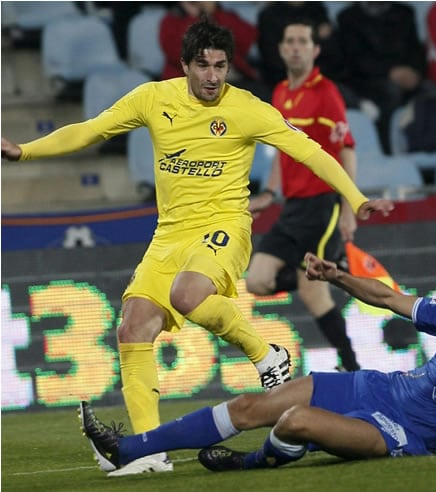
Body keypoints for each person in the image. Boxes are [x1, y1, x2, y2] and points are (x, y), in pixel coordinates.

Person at [1, 20, 393, 476]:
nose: (212, 76)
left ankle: (266, 353)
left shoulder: (247, 108)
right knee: (133, 328)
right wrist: (24, 151)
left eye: (220, 66)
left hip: (224, 226)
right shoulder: (153, 98)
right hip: (169, 235)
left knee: (187, 295)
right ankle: (149, 452)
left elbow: (312, 152)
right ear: (184, 65)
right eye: (203, 65)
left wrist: (356, 197)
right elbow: (91, 130)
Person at [80, 252, 436, 474]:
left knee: (294, 424)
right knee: (254, 403)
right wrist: (339, 277)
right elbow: (390, 296)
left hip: (400, 434)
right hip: (382, 389)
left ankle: (256, 465)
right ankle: (130, 448)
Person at [245, 20, 360, 372]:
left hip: (322, 203)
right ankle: (320, 270)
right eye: (290, 41)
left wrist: (349, 207)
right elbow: (284, 152)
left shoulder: (326, 93)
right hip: (293, 207)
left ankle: (352, 367)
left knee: (312, 292)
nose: (296, 47)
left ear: (315, 49)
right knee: (257, 281)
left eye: (303, 41)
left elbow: (347, 151)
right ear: (281, 49)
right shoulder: (279, 93)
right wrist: (268, 192)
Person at [336, 2, 427, 154]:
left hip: (406, 77)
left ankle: (424, 150)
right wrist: (390, 72)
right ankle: (387, 152)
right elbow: (354, 60)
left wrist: (415, 73)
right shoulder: (348, 18)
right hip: (367, 81)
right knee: (391, 93)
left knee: (430, 91)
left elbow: (416, 50)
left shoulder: (404, 13)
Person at [159, 1, 271, 102]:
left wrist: (215, 12)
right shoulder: (171, 21)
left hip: (234, 80)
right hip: (191, 84)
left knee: (262, 97)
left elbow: (248, 39)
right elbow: (184, 54)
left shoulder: (219, 15)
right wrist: (194, 16)